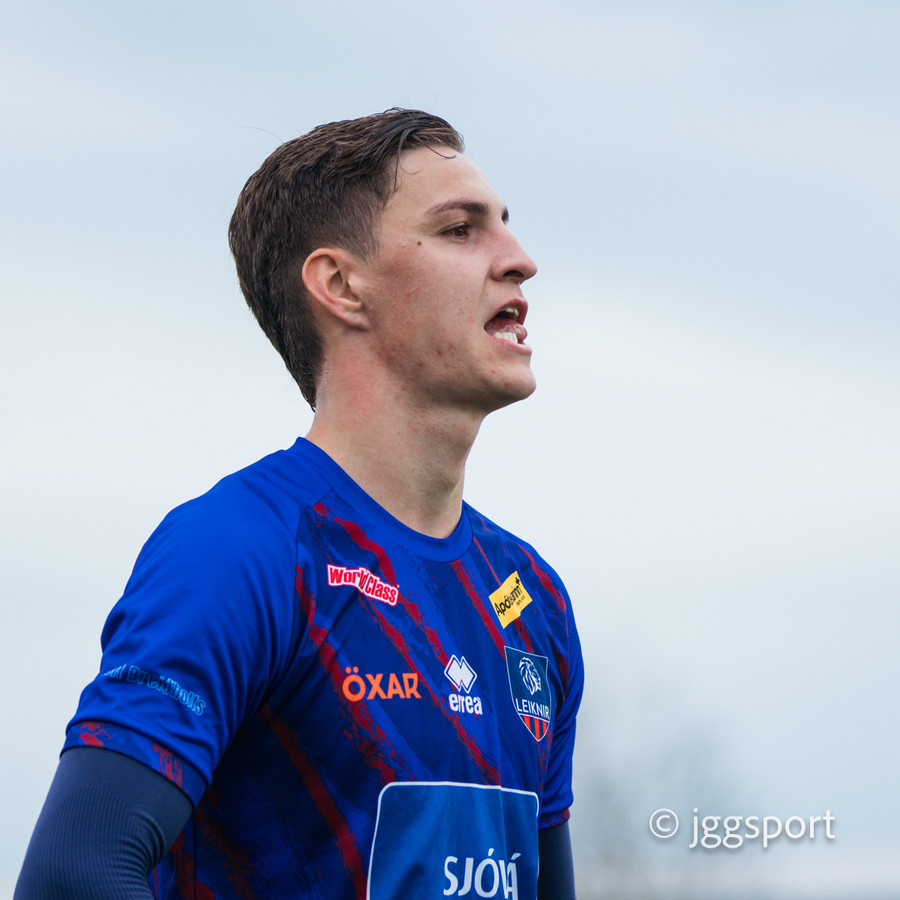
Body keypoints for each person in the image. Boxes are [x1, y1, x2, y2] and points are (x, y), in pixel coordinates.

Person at [16, 108, 583, 900]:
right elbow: (73, 874)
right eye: (460, 230)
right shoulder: (243, 550)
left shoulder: (530, 598)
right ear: (341, 286)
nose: (520, 260)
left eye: (505, 226)